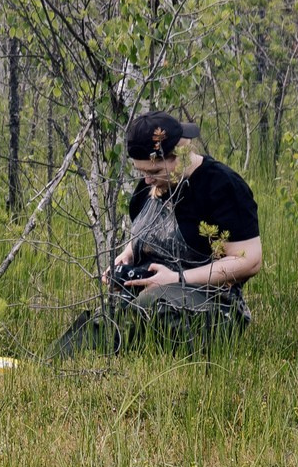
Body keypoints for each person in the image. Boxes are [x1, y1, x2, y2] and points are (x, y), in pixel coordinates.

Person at [53, 112, 264, 355]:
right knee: (103, 320)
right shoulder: (150, 186)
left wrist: (176, 278)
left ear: (179, 154)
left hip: (214, 306)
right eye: (141, 171)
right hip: (149, 298)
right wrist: (128, 255)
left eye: (153, 171)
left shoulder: (222, 186)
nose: (147, 179)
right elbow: (149, 232)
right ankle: (56, 363)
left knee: (148, 308)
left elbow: (250, 260)